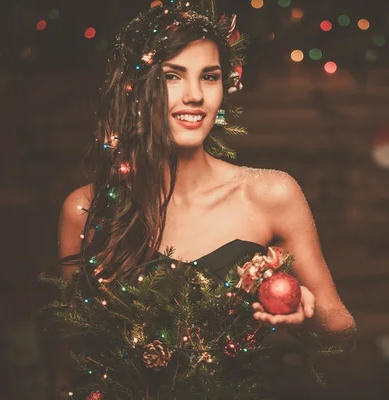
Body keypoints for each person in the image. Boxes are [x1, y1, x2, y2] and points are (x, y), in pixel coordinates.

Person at [55, 2, 355, 396]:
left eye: (209, 77)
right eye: (172, 76)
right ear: (135, 86)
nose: (195, 95)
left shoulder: (269, 195)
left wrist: (305, 315)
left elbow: (343, 336)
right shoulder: (87, 209)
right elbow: (74, 360)